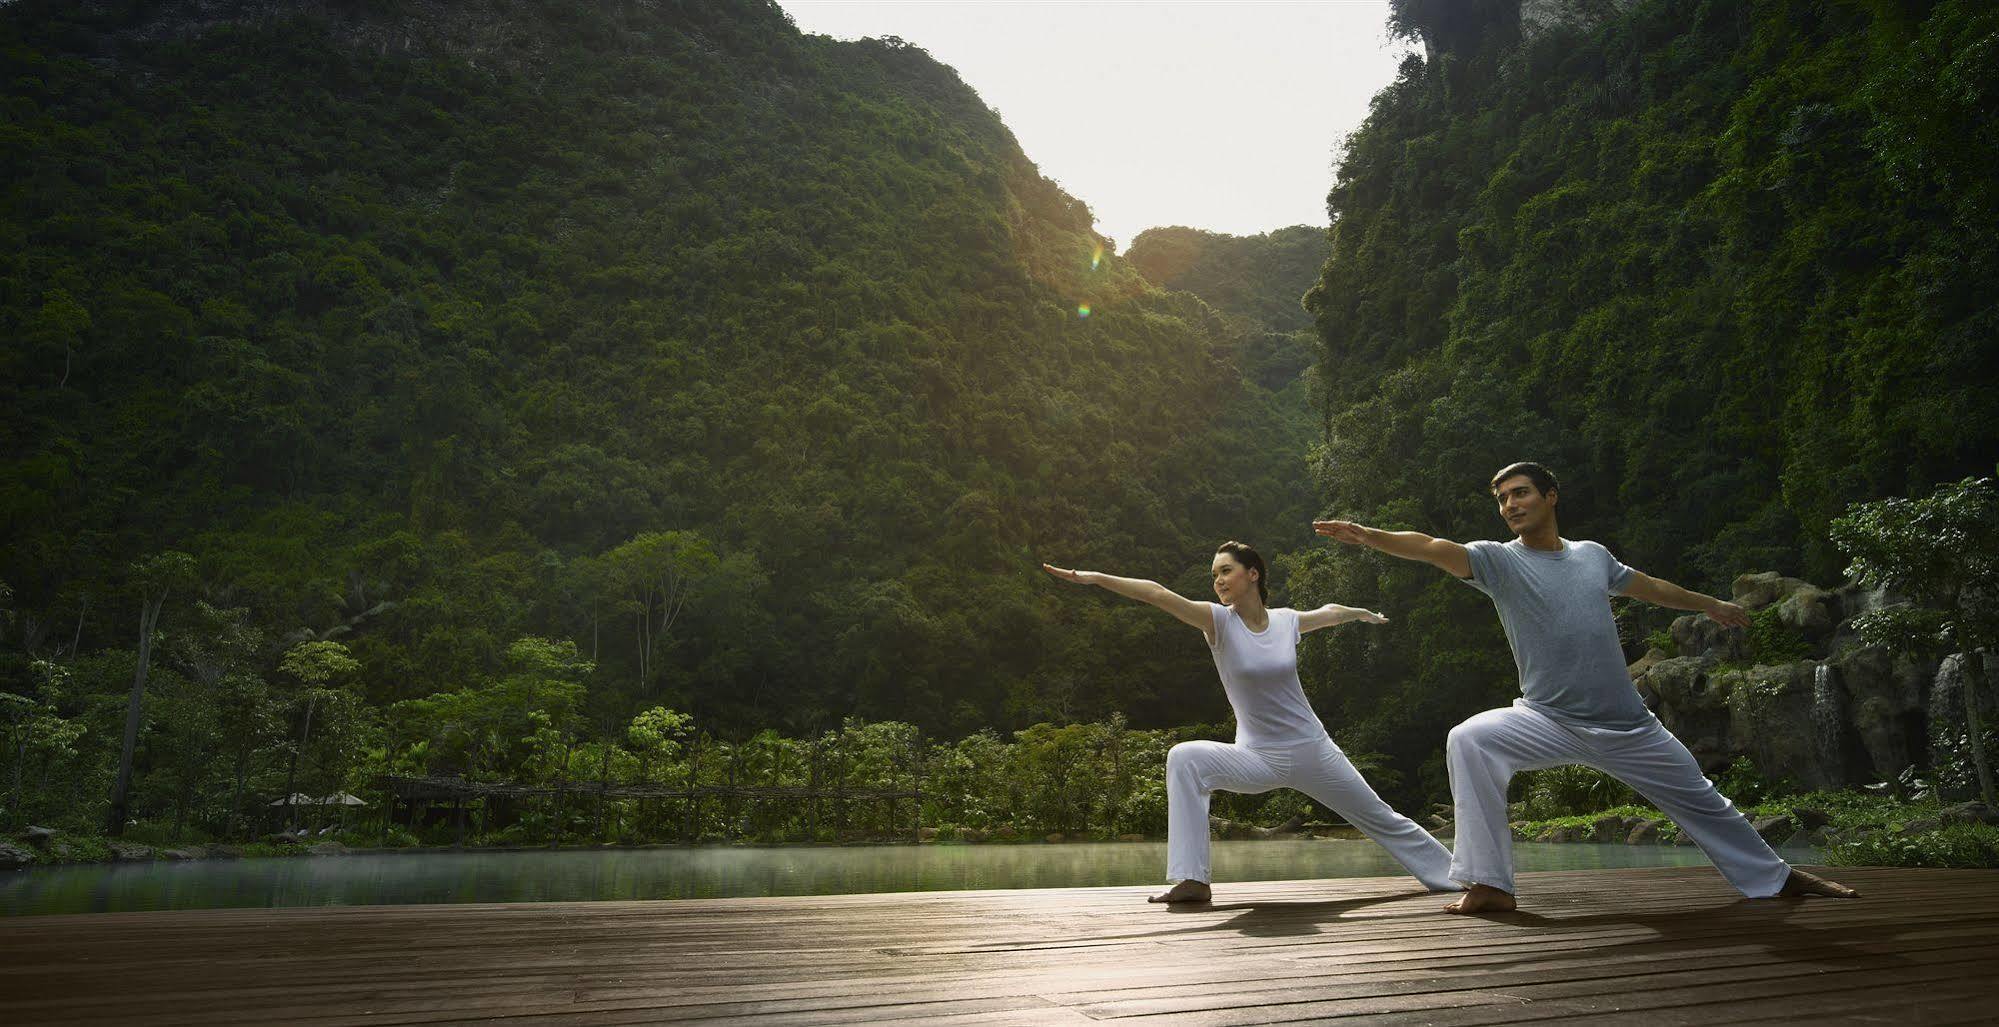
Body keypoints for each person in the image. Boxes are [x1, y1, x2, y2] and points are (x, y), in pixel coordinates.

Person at [1315, 461, 1859, 913]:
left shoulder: (1592, 556)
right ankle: (1489, 885)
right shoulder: (1497, 562)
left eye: (1520, 493)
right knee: (1470, 738)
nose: (1510, 505)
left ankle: (1778, 879)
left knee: (1704, 802)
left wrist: (1710, 604)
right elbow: (1432, 546)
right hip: (1546, 718)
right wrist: (1369, 536)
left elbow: (1647, 586)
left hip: (1627, 725)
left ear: (1550, 496)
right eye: (1502, 499)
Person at [1042, 541, 1458, 903]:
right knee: (1184, 758)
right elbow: (1155, 593)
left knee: (1381, 817)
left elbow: (1328, 613)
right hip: (1257, 756)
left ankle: (1457, 877)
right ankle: (1192, 879)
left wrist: (1358, 613)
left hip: (1313, 750)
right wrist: (1094, 577)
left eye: (1226, 571)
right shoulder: (1217, 623)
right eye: (1214, 575)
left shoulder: (1285, 621)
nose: (1218, 580)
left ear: (1252, 574)